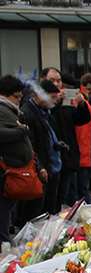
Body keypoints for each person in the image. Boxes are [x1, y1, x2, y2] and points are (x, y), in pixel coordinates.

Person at [18, 79, 63, 220]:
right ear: (39, 95)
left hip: (52, 167)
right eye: (51, 97)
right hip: (39, 169)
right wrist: (40, 166)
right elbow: (29, 144)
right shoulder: (28, 114)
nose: (54, 101)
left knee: (49, 208)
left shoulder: (45, 112)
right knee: (35, 211)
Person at [0, 75, 35, 244]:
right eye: (16, 96)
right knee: (4, 207)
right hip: (6, 169)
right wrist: (22, 130)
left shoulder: (9, 109)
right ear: (4, 94)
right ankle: (3, 241)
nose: (19, 100)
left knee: (7, 206)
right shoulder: (2, 109)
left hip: (13, 168)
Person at [51, 78, 90, 209]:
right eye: (52, 80)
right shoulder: (45, 106)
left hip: (68, 155)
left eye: (58, 81)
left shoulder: (66, 106)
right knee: (53, 196)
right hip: (52, 156)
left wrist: (81, 105)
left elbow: (81, 120)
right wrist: (56, 103)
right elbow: (50, 116)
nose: (56, 84)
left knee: (64, 195)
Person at [72, 74, 91, 203]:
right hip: (86, 153)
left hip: (77, 153)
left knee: (75, 192)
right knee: (83, 190)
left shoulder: (73, 105)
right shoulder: (88, 106)